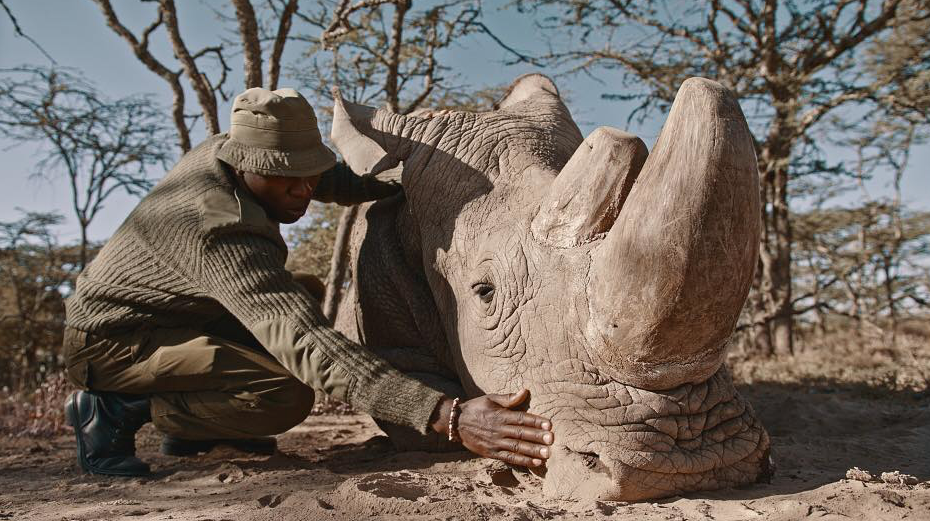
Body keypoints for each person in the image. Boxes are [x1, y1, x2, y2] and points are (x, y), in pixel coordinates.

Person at [61, 87, 553, 476]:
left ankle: (199, 430)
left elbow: (326, 178)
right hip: (114, 342)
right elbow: (308, 344)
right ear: (244, 164)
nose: (304, 190)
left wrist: (428, 175)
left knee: (306, 293)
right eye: (287, 179)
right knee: (282, 396)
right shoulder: (218, 227)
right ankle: (115, 407)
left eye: (309, 174)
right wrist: (449, 415)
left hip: (179, 316)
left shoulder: (236, 151)